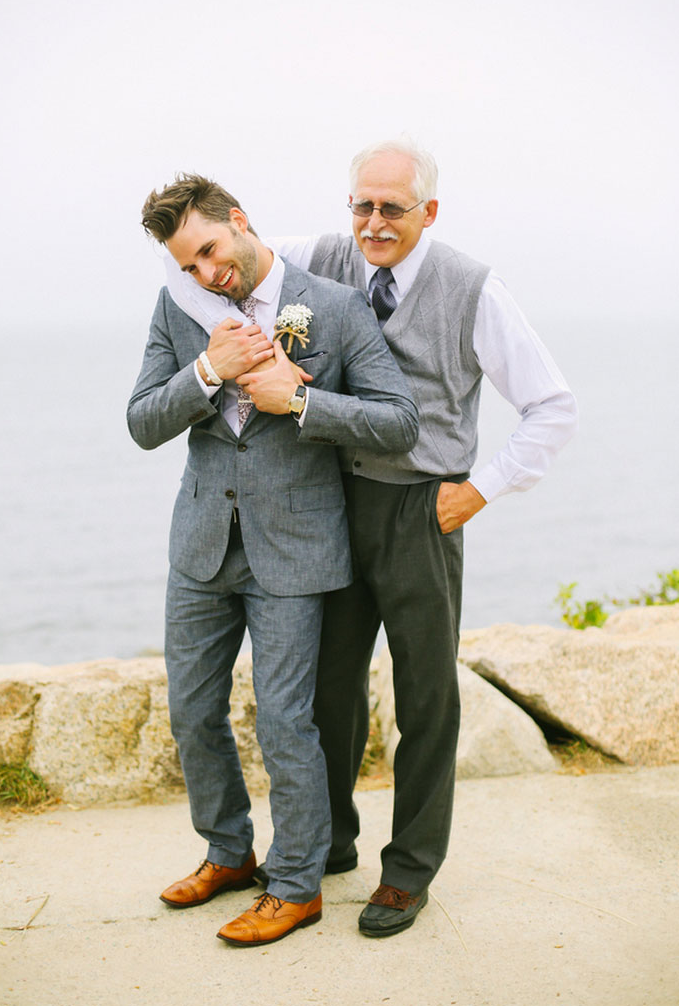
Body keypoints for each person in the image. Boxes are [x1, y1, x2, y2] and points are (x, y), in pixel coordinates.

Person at [165, 141, 578, 939]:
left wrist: (479, 489)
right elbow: (216, 256)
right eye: (362, 204)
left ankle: (410, 869)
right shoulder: (321, 256)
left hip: (424, 512)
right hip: (332, 506)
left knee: (425, 699)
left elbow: (553, 406)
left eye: (393, 206)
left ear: (429, 210)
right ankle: (331, 845)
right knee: (327, 692)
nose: (374, 222)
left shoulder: (473, 287)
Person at [127, 173, 418, 947]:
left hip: (294, 551)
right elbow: (141, 422)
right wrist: (207, 371)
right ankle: (227, 853)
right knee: (192, 711)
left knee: (287, 721)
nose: (206, 274)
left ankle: (296, 884)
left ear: (240, 222)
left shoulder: (334, 307)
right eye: (188, 265)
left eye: (211, 252)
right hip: (200, 548)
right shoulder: (181, 312)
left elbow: (399, 422)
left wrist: (303, 402)